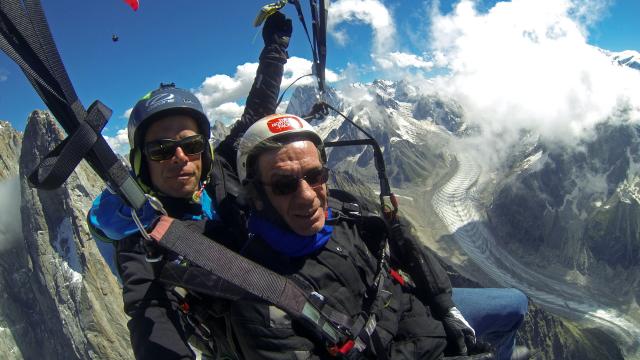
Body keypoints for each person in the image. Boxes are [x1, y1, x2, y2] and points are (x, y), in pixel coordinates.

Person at [222, 113, 529, 360]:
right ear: (256, 195)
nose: (307, 196)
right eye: (284, 184)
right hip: (415, 345)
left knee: (515, 304)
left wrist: (444, 303)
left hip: (423, 315)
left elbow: (402, 241)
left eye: (316, 176)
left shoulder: (345, 210)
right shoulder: (259, 298)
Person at [88, 11, 293, 359]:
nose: (180, 157)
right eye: (162, 150)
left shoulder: (221, 171)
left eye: (192, 145)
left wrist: (276, 47)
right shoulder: (143, 232)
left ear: (205, 150)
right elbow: (149, 311)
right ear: (140, 161)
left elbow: (256, 113)